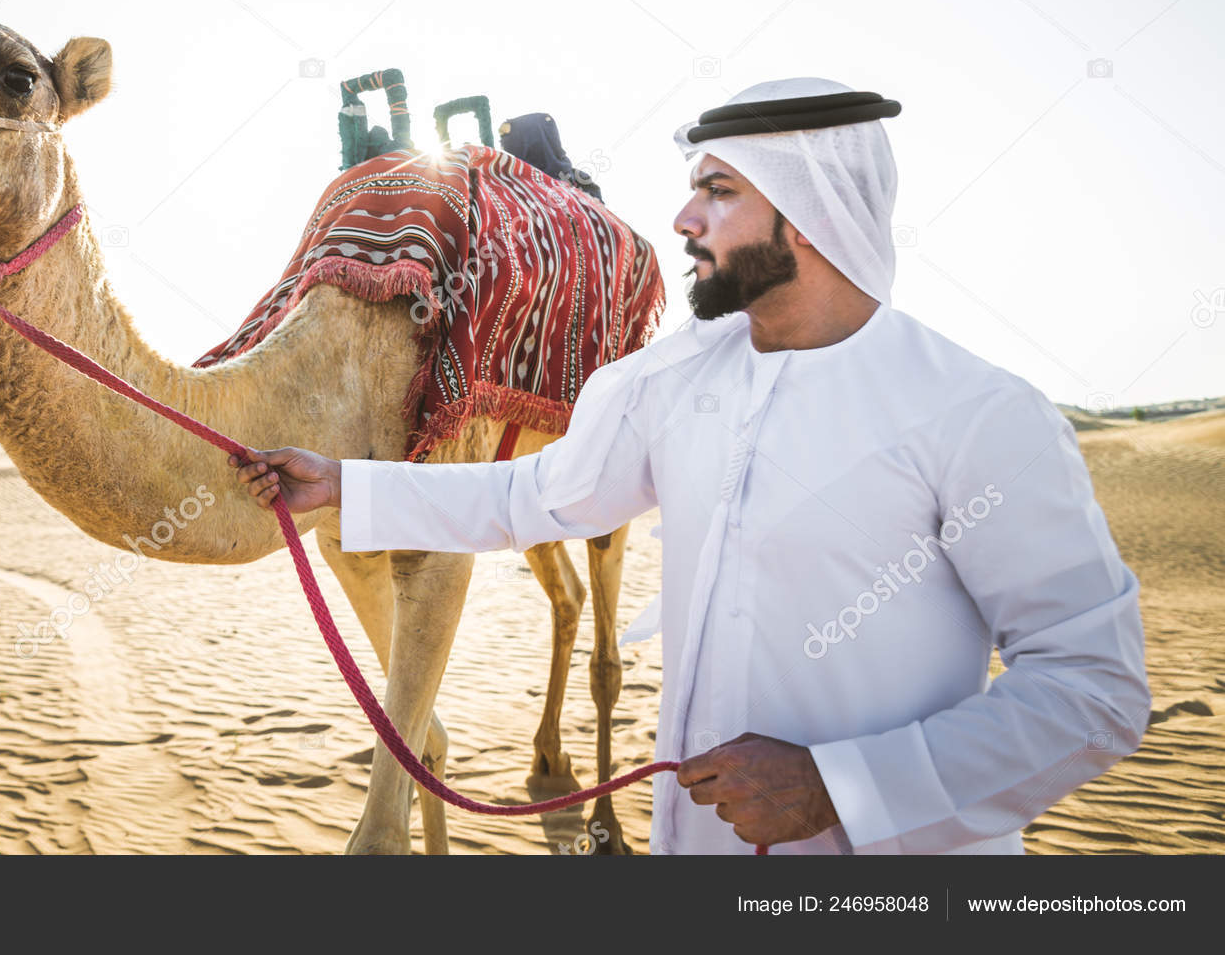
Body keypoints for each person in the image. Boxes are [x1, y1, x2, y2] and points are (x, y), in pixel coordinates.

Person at [228, 77, 1150, 855]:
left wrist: (842, 788)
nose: (682, 218)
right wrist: (347, 487)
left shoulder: (980, 416)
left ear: (810, 216)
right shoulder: (669, 382)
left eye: (718, 191)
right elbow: (537, 495)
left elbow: (1093, 690)